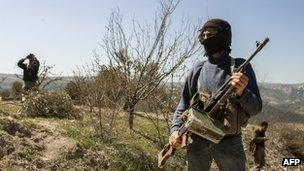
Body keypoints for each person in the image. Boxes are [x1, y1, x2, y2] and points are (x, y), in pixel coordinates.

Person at [169, 18, 263, 171]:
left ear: (223, 37)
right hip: (197, 140)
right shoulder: (198, 69)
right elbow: (184, 103)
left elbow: (256, 108)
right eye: (203, 35)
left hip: (229, 142)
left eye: (210, 34)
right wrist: (175, 130)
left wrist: (241, 92)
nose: (206, 39)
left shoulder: (240, 66)